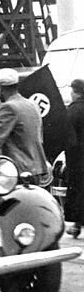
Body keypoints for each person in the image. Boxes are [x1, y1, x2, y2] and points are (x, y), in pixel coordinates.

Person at [0, 67, 50, 184]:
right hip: (36, 168)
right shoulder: (32, 104)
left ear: (1, 88)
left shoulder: (8, 107)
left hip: (17, 170)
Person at [64, 78, 84, 237]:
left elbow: (68, 135)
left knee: (78, 190)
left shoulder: (73, 110)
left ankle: (77, 225)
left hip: (78, 157)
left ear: (75, 92)